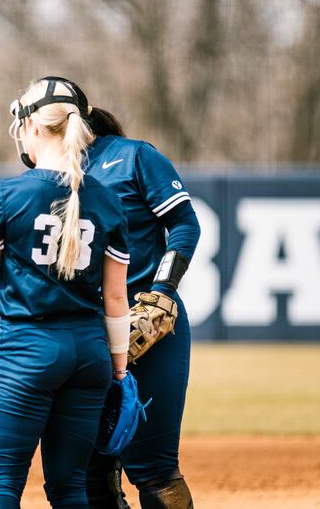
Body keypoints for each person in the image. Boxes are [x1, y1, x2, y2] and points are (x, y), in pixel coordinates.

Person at [0, 77, 132, 509]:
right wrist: (120, 369)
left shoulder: (8, 195)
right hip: (89, 355)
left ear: (32, 127)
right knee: (70, 489)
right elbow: (115, 299)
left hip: (27, 351)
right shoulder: (107, 199)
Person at [80, 85, 200, 508]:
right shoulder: (46, 172)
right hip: (82, 333)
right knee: (87, 473)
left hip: (146, 325)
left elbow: (185, 224)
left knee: (153, 469)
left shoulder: (133, 156)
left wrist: (162, 291)